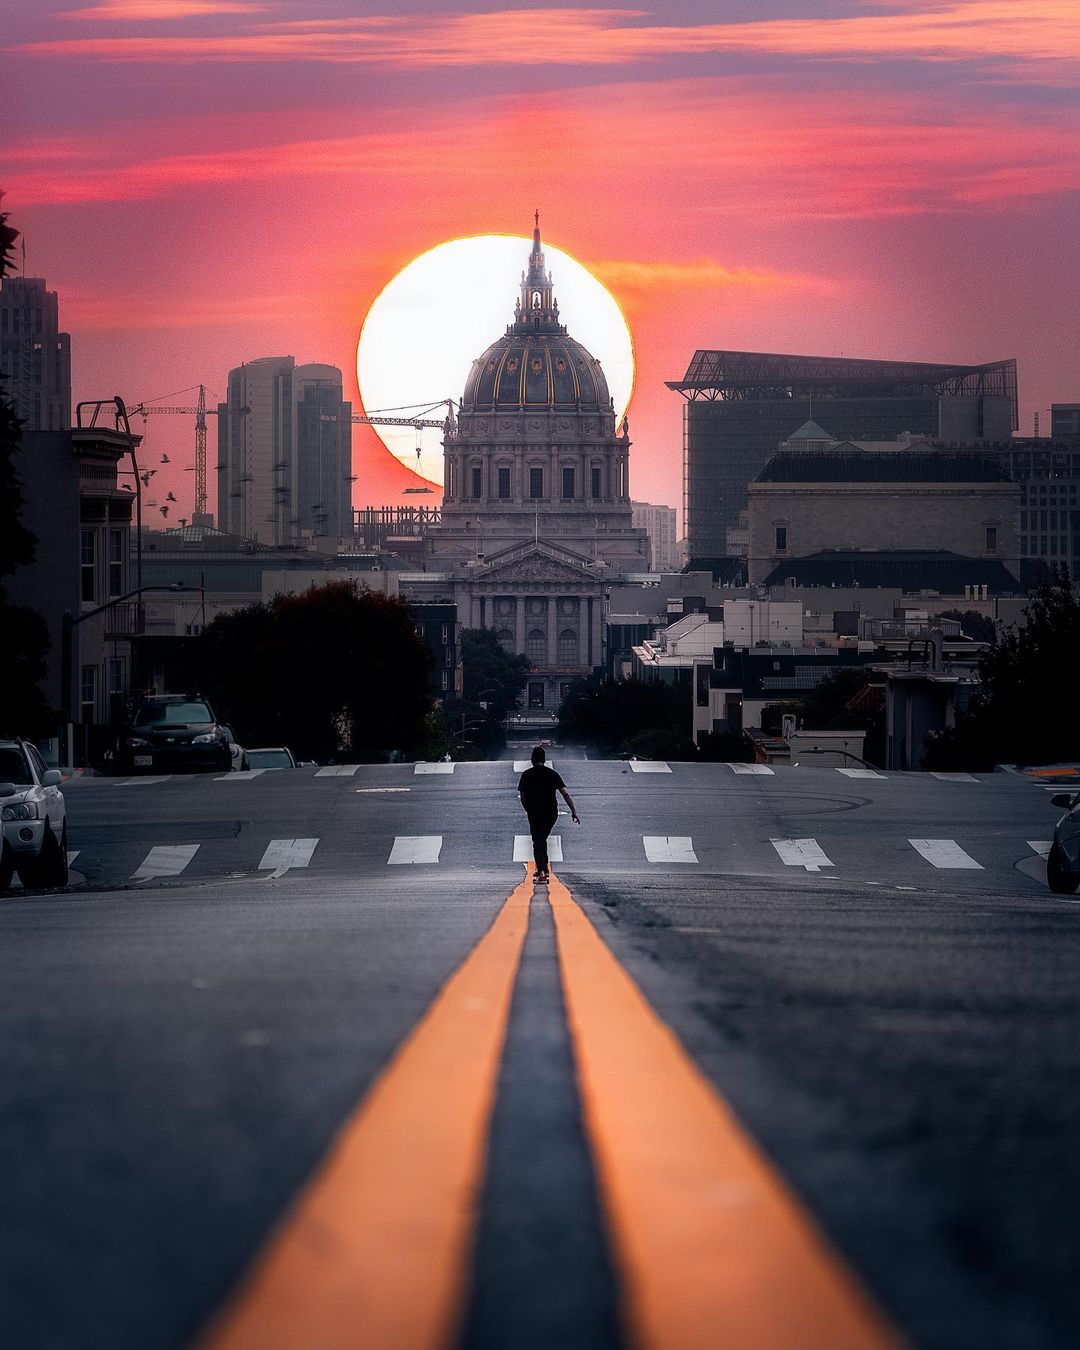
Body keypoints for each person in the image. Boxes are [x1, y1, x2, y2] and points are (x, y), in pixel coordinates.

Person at [517, 745, 579, 883]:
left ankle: (542, 871)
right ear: (544, 759)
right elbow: (565, 793)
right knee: (541, 839)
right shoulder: (553, 774)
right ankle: (542, 868)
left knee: (538, 840)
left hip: (534, 812)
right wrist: (573, 811)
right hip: (551, 813)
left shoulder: (526, 775)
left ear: (532, 759)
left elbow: (522, 796)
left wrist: (528, 809)